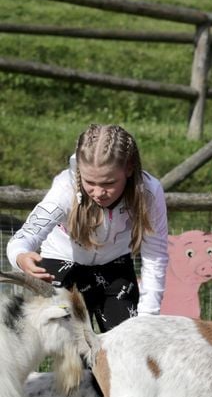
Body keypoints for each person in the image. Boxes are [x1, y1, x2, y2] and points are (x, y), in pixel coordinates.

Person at [7, 124, 169, 332]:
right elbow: (23, 237)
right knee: (72, 353)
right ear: (79, 172)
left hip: (115, 265)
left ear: (129, 168)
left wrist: (148, 315)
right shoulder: (64, 189)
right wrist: (20, 256)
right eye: (89, 182)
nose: (99, 192)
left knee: (124, 343)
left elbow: (155, 254)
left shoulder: (149, 192)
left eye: (109, 183)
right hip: (63, 263)